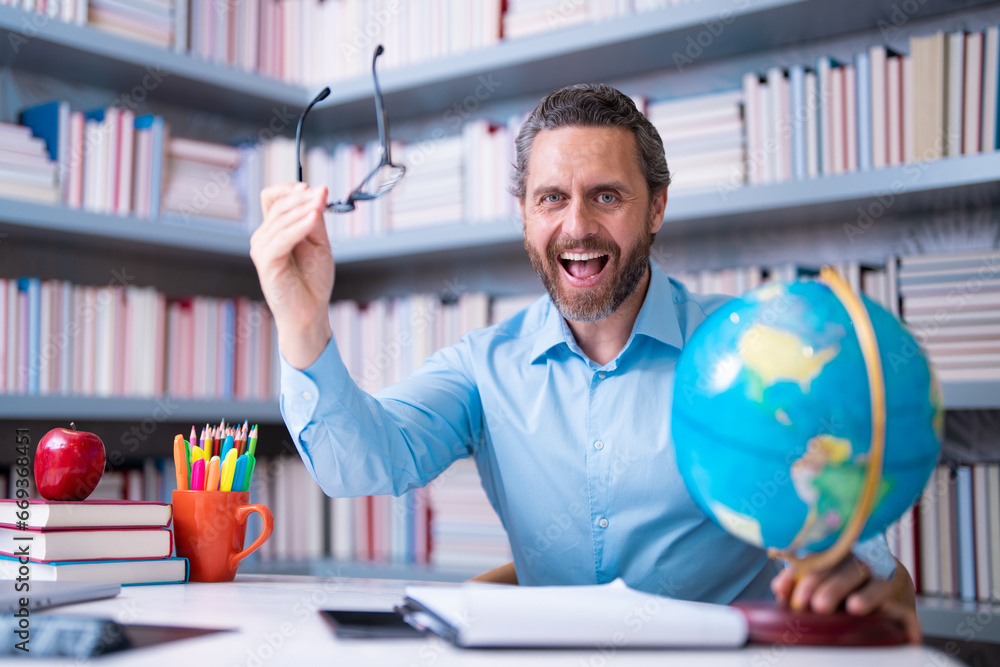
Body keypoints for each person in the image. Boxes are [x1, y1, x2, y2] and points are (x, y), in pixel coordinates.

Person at [250, 83, 920, 642]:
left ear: (656, 206)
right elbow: (356, 462)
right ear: (524, 215)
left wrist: (855, 578)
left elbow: (870, 567)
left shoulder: (755, 351)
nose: (576, 227)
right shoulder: (484, 366)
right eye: (551, 198)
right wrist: (302, 320)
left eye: (606, 195)